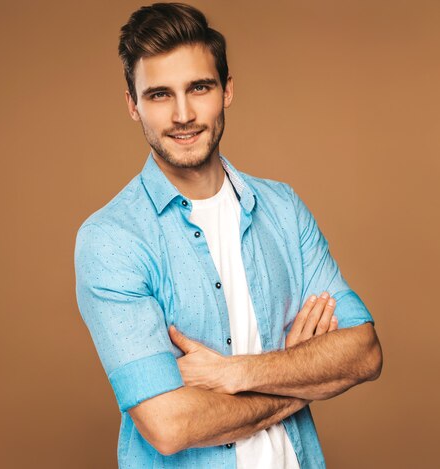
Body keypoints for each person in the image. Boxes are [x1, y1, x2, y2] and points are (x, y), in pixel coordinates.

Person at [74, 3, 382, 468]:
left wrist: (233, 373)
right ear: (132, 106)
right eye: (159, 95)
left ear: (227, 90)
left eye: (199, 87)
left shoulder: (283, 209)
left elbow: (363, 351)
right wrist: (298, 377)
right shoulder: (112, 240)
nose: (183, 114)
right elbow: (169, 425)